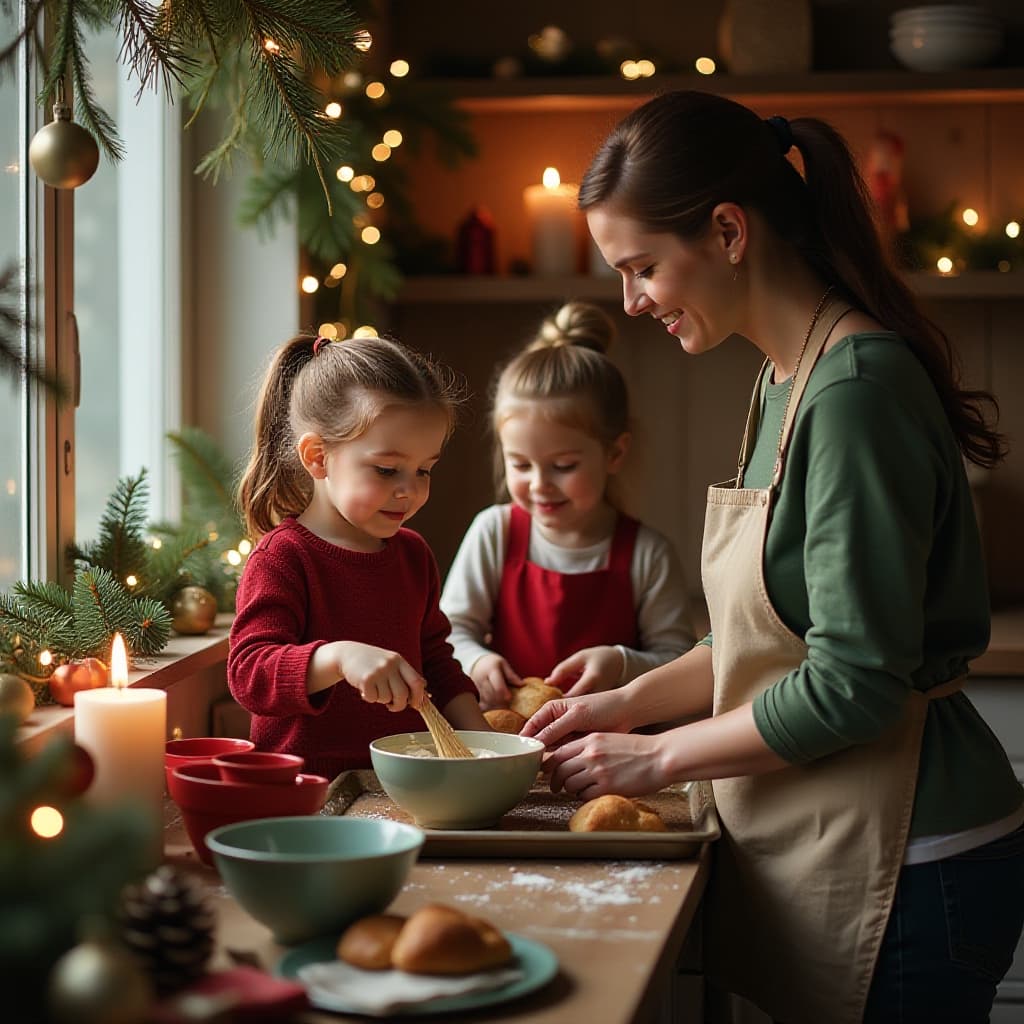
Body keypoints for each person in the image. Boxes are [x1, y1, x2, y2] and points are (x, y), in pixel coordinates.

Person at [522, 91, 1024, 1024]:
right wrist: (625, 704)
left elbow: (853, 683)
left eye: (642, 268)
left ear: (727, 231)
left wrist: (655, 759)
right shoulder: (784, 380)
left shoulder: (855, 393)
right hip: (845, 834)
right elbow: (770, 641)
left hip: (913, 859)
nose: (631, 302)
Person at [228, 332, 489, 781]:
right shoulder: (283, 558)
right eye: (387, 469)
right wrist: (339, 659)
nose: (409, 490)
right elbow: (249, 673)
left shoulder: (413, 555)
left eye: (424, 470)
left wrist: (487, 744)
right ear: (318, 457)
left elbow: (436, 665)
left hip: (403, 785)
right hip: (308, 791)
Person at [440, 300, 694, 711]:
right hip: (511, 739)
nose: (539, 484)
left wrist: (621, 663)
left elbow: (681, 664)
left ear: (614, 453)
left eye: (563, 466)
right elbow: (449, 632)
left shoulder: (648, 555)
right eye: (520, 464)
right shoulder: (495, 532)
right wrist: (477, 660)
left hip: (613, 739)